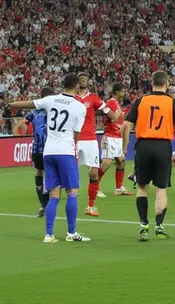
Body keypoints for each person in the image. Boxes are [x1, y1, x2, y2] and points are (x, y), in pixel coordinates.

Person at [10, 73, 90, 243]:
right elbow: (76, 134)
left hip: (48, 152)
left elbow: (28, 104)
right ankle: (71, 233)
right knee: (72, 193)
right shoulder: (80, 106)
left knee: (54, 194)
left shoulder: (50, 100)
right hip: (65, 152)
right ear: (77, 87)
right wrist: (71, 146)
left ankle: (49, 235)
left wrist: (11, 104)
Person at [122, 71, 175, 241]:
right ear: (167, 84)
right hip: (163, 146)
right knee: (161, 189)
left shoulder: (140, 100)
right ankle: (159, 225)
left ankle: (143, 225)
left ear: (151, 84)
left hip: (143, 146)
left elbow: (125, 126)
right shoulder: (173, 103)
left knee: (142, 187)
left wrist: (124, 145)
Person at [75, 72, 121, 216]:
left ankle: (90, 206)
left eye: (85, 78)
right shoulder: (71, 97)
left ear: (88, 82)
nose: (83, 80)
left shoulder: (94, 98)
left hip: (90, 140)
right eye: (80, 78)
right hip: (73, 139)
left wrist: (114, 116)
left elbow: (106, 110)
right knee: (68, 171)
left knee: (93, 171)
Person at [97, 83, 132, 195]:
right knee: (107, 162)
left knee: (121, 161)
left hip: (117, 137)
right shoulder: (111, 102)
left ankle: (119, 187)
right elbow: (109, 115)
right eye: (122, 90)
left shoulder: (118, 104)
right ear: (117, 91)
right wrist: (114, 117)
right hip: (110, 137)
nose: (124, 92)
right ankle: (95, 186)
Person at [24, 86, 54, 217]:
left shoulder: (34, 111)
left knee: (39, 171)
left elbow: (24, 121)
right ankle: (47, 201)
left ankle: (42, 203)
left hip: (37, 147)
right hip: (50, 147)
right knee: (51, 173)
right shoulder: (53, 110)